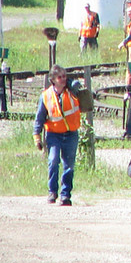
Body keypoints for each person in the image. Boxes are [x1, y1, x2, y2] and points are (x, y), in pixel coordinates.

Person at [32, 64, 81, 206]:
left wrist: (75, 85)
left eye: (65, 76)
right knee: (53, 161)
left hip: (71, 133)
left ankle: (65, 195)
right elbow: (39, 117)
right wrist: (37, 136)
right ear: (53, 80)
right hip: (53, 135)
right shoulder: (46, 96)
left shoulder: (72, 91)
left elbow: (85, 98)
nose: (63, 79)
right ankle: (52, 192)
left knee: (69, 165)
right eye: (60, 77)